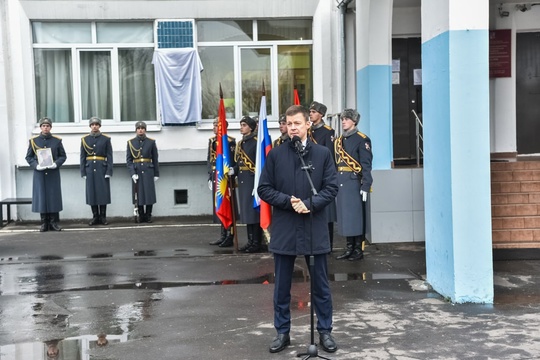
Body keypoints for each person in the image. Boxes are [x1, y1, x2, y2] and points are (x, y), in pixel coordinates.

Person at [257, 105, 339, 354]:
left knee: (321, 286)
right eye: (289, 123)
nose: (292, 127)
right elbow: (264, 188)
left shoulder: (323, 153)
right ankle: (283, 332)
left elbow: (331, 187)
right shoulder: (276, 155)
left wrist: (309, 204)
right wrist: (288, 202)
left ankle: (324, 332)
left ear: (307, 125)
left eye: (297, 123)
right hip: (285, 227)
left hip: (313, 226)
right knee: (282, 285)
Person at [334, 109, 373, 261]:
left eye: (346, 119)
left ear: (354, 121)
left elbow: (366, 164)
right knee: (345, 217)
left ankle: (358, 249)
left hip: (354, 182)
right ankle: (349, 247)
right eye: (343, 119)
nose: (343, 121)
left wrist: (366, 185)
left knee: (356, 217)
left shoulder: (362, 139)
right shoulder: (339, 141)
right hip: (342, 182)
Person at [25, 117, 67, 232]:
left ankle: (53, 222)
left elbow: (63, 156)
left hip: (52, 173)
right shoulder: (34, 141)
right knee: (41, 197)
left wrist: (56, 164)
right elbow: (28, 157)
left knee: (53, 197)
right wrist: (35, 165)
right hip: (39, 173)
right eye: (43, 126)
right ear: (40, 127)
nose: (45, 128)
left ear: (50, 127)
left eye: (47, 126)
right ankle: (44, 222)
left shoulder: (56, 141)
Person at [309, 101, 337, 251]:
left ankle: (328, 244)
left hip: (322, 174)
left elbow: (330, 155)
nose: (311, 114)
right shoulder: (308, 131)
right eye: (310, 111)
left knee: (327, 211)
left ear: (321, 114)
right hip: (309, 173)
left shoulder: (328, 132)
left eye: (314, 112)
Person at [232, 115, 263, 253]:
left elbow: (260, 164)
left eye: (244, 125)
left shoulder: (256, 142)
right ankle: (250, 241)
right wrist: (234, 170)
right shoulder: (240, 143)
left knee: (254, 213)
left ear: (251, 127)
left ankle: (256, 241)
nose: (241, 127)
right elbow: (239, 162)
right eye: (241, 125)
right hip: (243, 180)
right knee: (246, 213)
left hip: (252, 180)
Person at [207, 118, 237, 247]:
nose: (214, 128)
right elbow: (210, 159)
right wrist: (210, 176)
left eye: (217, 126)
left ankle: (230, 235)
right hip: (217, 176)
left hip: (226, 177)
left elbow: (233, 160)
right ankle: (223, 235)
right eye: (214, 125)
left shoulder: (230, 142)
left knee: (228, 206)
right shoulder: (212, 141)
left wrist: (233, 174)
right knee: (219, 204)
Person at [80, 117, 113, 226]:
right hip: (89, 169)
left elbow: (109, 156)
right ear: (90, 126)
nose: (95, 126)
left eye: (97, 124)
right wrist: (83, 172)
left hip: (102, 169)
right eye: (93, 124)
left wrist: (109, 171)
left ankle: (103, 216)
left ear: (99, 126)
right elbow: (82, 157)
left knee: (102, 193)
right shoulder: (84, 139)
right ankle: (95, 216)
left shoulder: (106, 139)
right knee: (92, 193)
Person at [126, 121, 159, 223]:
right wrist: (132, 173)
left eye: (142, 128)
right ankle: (141, 214)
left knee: (149, 193)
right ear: (136, 130)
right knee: (138, 193)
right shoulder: (131, 143)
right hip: (137, 170)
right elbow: (129, 160)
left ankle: (148, 215)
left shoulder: (151, 142)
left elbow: (155, 158)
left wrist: (156, 173)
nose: (140, 130)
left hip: (148, 169)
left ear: (145, 130)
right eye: (138, 128)